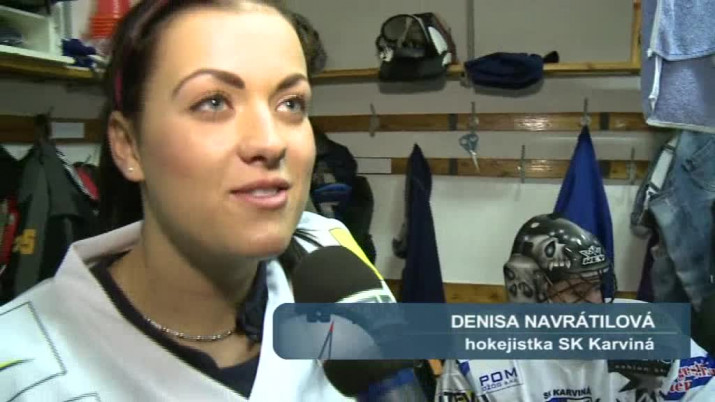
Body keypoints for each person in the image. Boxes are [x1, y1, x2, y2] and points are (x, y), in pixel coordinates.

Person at [0, 1, 395, 400]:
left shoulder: (333, 254)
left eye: (290, 103)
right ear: (128, 145)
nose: (270, 142)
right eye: (213, 102)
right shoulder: (18, 363)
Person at [436, 214, 715, 401]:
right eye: (577, 291)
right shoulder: (475, 358)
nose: (596, 303)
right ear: (528, 294)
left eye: (598, 286)